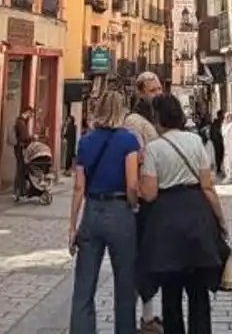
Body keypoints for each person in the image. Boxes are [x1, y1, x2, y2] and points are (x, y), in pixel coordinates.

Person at [136, 95, 227, 334]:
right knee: (198, 294)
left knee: (171, 295)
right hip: (196, 217)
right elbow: (207, 186)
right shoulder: (195, 141)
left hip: (166, 224)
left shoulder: (154, 149)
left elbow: (151, 193)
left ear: (158, 118)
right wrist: (220, 219)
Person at [69, 91, 144, 334]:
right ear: (121, 110)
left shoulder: (86, 141)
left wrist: (73, 226)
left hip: (92, 211)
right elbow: (132, 184)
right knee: (125, 284)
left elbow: (79, 186)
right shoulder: (129, 141)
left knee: (84, 286)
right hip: (121, 211)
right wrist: (134, 206)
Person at [124, 72, 165, 332]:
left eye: (159, 89)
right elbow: (136, 157)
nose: (157, 94)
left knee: (155, 258)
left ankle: (149, 315)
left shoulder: (159, 118)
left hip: (158, 196)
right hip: (142, 198)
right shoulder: (133, 122)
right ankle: (143, 317)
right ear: (140, 92)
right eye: (152, 90)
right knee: (142, 258)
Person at [12, 104, 37, 200]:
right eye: (31, 114)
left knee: (21, 169)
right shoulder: (21, 122)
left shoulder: (21, 121)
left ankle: (20, 191)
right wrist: (32, 137)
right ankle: (18, 191)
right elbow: (24, 137)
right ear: (27, 112)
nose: (31, 117)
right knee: (20, 169)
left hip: (20, 148)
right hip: (21, 148)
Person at [219, 113, 232, 183]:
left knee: (231, 160)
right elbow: (223, 133)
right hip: (226, 145)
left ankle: (230, 176)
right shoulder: (224, 125)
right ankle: (229, 175)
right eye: (227, 117)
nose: (229, 118)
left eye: (230, 117)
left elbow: (231, 132)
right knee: (227, 161)